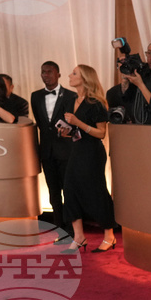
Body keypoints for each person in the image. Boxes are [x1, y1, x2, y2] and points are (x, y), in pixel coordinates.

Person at [58, 65, 117, 253]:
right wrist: (66, 131)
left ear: (85, 78)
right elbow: (75, 131)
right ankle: (79, 237)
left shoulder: (96, 103)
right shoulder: (72, 100)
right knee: (69, 189)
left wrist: (78, 123)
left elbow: (101, 134)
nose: (69, 75)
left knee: (96, 191)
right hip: (76, 150)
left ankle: (109, 236)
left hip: (92, 153)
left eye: (74, 73)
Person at [31, 61, 79, 232]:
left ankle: (72, 229)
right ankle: (59, 228)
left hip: (66, 151)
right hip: (47, 151)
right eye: (43, 72)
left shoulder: (71, 96)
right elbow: (41, 124)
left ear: (58, 74)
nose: (46, 75)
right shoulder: (35, 96)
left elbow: (73, 124)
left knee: (69, 191)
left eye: (50, 72)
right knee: (53, 193)